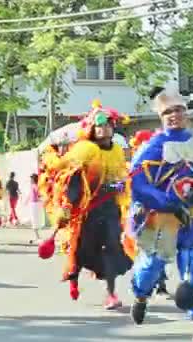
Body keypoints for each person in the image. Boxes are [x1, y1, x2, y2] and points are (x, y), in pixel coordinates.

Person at [129, 88, 193, 341]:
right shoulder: (152, 147)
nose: (174, 115)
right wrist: (167, 202)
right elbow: (137, 184)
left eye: (178, 110)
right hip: (162, 218)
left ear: (185, 113)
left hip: (192, 218)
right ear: (160, 116)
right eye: (168, 111)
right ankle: (140, 295)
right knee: (152, 266)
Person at [38, 100, 132, 310]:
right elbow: (72, 179)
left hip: (109, 210)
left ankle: (111, 293)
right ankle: (74, 279)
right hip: (86, 209)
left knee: (111, 247)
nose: (104, 128)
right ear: (91, 128)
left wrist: (119, 185)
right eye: (99, 125)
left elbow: (120, 175)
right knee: (81, 248)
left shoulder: (117, 150)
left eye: (108, 124)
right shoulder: (85, 149)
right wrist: (68, 205)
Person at [27, 173, 42, 244]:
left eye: (31, 178)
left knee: (34, 220)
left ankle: (38, 237)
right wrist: (26, 201)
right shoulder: (33, 186)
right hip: (34, 203)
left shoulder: (35, 186)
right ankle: (37, 237)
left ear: (33, 179)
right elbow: (31, 194)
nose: (30, 180)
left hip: (35, 204)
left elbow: (38, 194)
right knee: (34, 220)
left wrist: (40, 199)